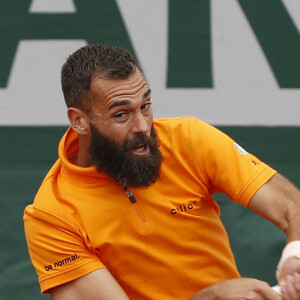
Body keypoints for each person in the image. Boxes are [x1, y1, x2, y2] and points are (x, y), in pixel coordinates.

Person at [24, 44, 300, 300]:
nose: (143, 127)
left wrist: (294, 257)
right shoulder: (50, 217)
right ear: (79, 122)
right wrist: (211, 296)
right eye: (122, 115)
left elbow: (291, 207)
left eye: (145, 105)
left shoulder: (189, 139)